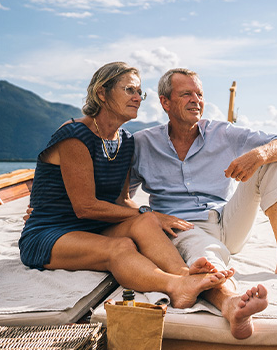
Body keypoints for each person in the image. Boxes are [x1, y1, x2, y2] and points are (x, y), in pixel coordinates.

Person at [128, 68, 277, 338]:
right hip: (184, 227)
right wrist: (151, 216)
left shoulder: (221, 133)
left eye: (199, 94)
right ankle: (231, 303)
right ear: (165, 102)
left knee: (270, 163)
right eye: (186, 94)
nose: (196, 100)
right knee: (206, 257)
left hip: (228, 221)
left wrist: (259, 154)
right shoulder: (141, 144)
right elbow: (121, 200)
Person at [18, 62, 232, 310]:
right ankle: (174, 286)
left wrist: (151, 219)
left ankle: (186, 275)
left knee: (146, 221)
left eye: (140, 92)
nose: (138, 98)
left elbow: (121, 201)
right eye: (129, 90)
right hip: (51, 232)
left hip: (95, 228)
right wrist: (150, 213)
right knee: (122, 246)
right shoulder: (75, 135)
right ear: (102, 93)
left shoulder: (126, 141)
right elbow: (85, 207)